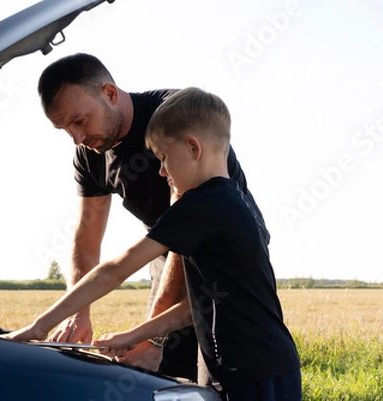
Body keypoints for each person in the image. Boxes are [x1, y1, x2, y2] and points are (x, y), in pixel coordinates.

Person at [1, 87, 301, 400]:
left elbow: (115, 271)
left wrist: (39, 326)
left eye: (163, 158)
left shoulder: (199, 206)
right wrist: (135, 335)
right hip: (263, 366)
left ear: (193, 148)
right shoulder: (234, 203)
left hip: (250, 375)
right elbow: (194, 308)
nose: (160, 171)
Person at [33, 53, 270, 382]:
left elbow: (185, 221)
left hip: (220, 250)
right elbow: (87, 236)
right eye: (65, 130)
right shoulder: (88, 154)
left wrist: (153, 339)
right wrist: (78, 314)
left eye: (79, 121)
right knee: (156, 375)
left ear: (110, 94)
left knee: (213, 368)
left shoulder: (173, 119)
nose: (77, 138)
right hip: (164, 248)